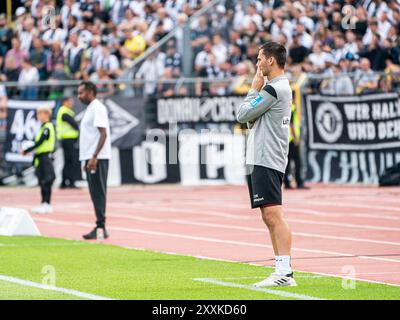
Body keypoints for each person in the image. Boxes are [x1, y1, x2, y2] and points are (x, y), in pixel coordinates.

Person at [236, 41, 295, 287]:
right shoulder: (275, 88)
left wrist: (253, 90)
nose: (257, 64)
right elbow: (251, 120)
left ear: (271, 60)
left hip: (267, 157)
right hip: (262, 157)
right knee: (268, 215)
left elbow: (242, 115)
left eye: (260, 59)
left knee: (274, 214)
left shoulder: (274, 89)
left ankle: (285, 272)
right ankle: (281, 269)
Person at [77, 81, 111, 240]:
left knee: (98, 192)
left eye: (81, 93)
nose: (79, 96)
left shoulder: (97, 108)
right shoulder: (90, 109)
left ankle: (101, 227)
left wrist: (94, 157)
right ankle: (100, 225)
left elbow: (103, 133)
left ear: (90, 92)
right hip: (90, 157)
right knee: (94, 192)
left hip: (97, 158)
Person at [21, 106, 56, 214]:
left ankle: (46, 204)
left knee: (46, 180)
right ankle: (44, 203)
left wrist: (26, 150)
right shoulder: (43, 127)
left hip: (45, 157)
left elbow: (40, 142)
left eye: (40, 114)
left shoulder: (47, 127)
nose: (39, 116)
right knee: (42, 181)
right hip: (41, 157)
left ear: (46, 114)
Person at [56, 97, 80, 189]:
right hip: (67, 139)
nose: (72, 103)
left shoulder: (66, 111)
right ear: (64, 102)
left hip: (68, 140)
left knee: (68, 161)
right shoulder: (64, 111)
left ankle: (65, 182)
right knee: (70, 161)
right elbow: (74, 124)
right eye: (70, 101)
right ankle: (69, 182)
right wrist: (77, 127)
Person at [284, 103, 308, 189]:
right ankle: (299, 182)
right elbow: (291, 125)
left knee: (288, 162)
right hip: (292, 140)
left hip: (287, 139)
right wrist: (295, 139)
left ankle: (286, 182)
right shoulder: (292, 107)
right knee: (297, 162)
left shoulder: (285, 106)